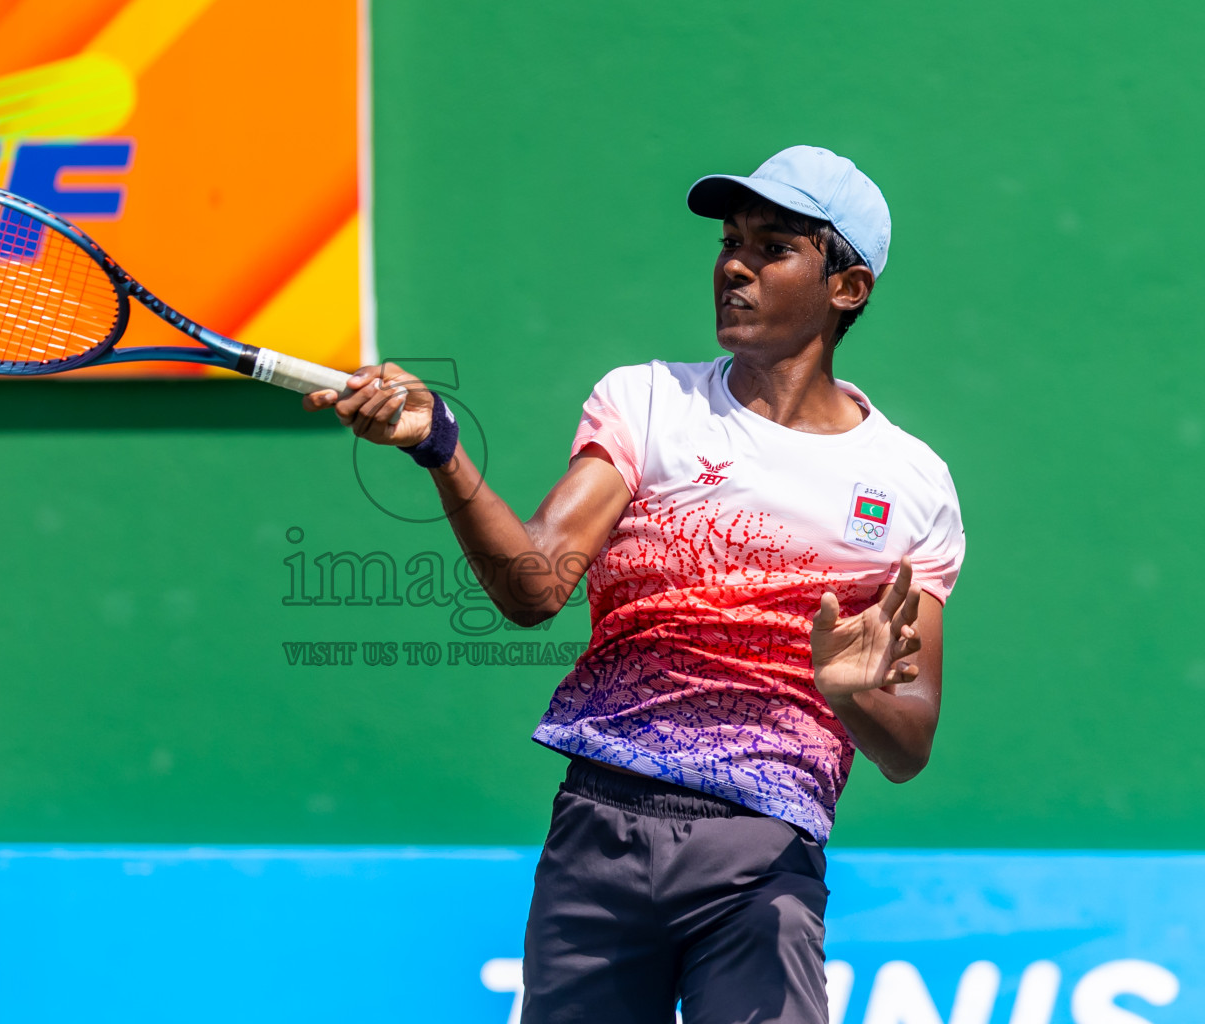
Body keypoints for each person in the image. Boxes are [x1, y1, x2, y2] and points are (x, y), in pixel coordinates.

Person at [304, 145, 965, 1024]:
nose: (735, 263)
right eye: (730, 241)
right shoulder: (647, 402)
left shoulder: (912, 483)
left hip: (764, 858)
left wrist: (851, 695)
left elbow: (908, 742)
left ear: (847, 289)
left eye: (774, 248)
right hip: (599, 832)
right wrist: (440, 450)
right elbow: (534, 588)